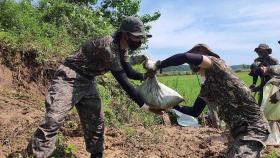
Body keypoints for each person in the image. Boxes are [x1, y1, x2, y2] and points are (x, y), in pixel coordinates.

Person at [27, 16, 162, 158]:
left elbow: (128, 71)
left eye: (141, 38)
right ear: (125, 34)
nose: (139, 41)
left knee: (96, 121)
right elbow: (125, 83)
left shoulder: (123, 49)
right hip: (70, 76)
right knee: (54, 117)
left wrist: (144, 76)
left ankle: (97, 155)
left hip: (88, 80)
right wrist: (146, 106)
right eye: (137, 37)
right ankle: (36, 155)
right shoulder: (108, 47)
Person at [145, 44, 270, 157]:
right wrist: (169, 106)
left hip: (253, 128)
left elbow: (185, 57)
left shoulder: (217, 64)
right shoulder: (207, 87)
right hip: (237, 131)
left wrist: (158, 65)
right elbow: (194, 111)